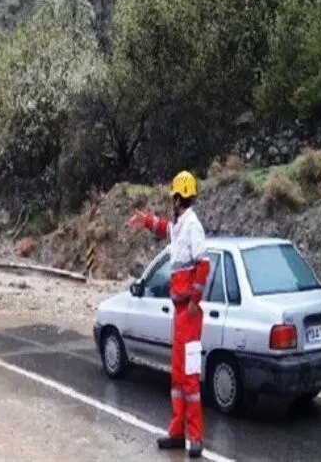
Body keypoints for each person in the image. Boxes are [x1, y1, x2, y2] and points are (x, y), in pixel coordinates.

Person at [127, 170, 210, 459]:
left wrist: (193, 300)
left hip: (188, 312)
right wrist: (148, 221)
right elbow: (166, 230)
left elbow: (204, 264)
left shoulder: (193, 226)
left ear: (178, 197)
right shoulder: (181, 225)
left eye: (173, 198)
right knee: (177, 377)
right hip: (180, 313)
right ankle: (177, 433)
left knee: (189, 378)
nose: (171, 203)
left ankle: (195, 437)